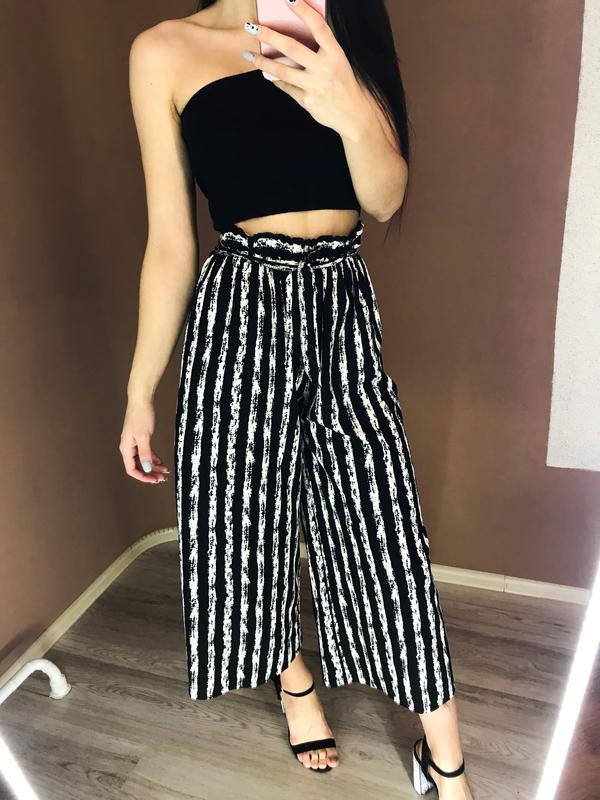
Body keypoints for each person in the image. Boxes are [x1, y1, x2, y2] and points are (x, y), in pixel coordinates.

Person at [120, 0, 473, 796]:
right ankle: (294, 680)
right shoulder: (165, 51)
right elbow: (170, 240)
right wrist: (141, 391)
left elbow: (385, 198)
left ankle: (446, 762)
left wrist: (345, 99)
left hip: (341, 303)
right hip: (240, 308)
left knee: (385, 528)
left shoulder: (335, 27)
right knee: (242, 521)